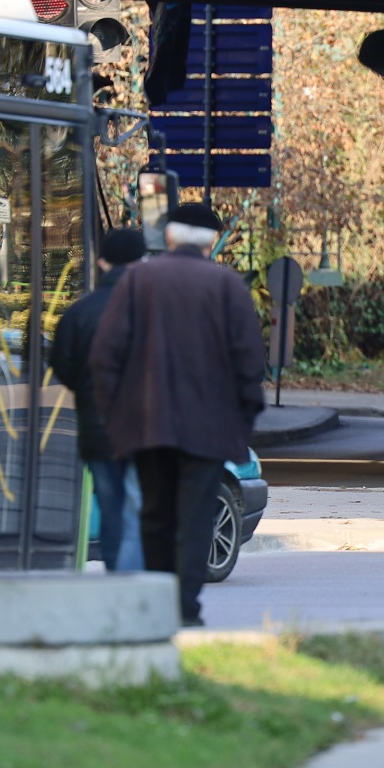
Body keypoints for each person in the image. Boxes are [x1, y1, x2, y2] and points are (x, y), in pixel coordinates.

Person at [90, 201, 265, 627]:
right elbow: (250, 365)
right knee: (195, 517)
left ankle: (156, 601)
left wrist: (116, 417)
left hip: (148, 427)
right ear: (212, 242)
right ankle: (185, 608)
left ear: (169, 236)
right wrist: (240, 424)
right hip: (209, 432)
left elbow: (105, 356)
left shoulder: (138, 282)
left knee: (156, 515)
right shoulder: (227, 288)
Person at [49, 226, 147, 572]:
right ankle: (133, 584)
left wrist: (86, 392)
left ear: (102, 262)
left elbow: (61, 362)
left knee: (110, 506)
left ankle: (115, 576)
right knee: (138, 508)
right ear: (141, 262)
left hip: (97, 428)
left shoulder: (79, 312)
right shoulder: (151, 310)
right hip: (144, 429)